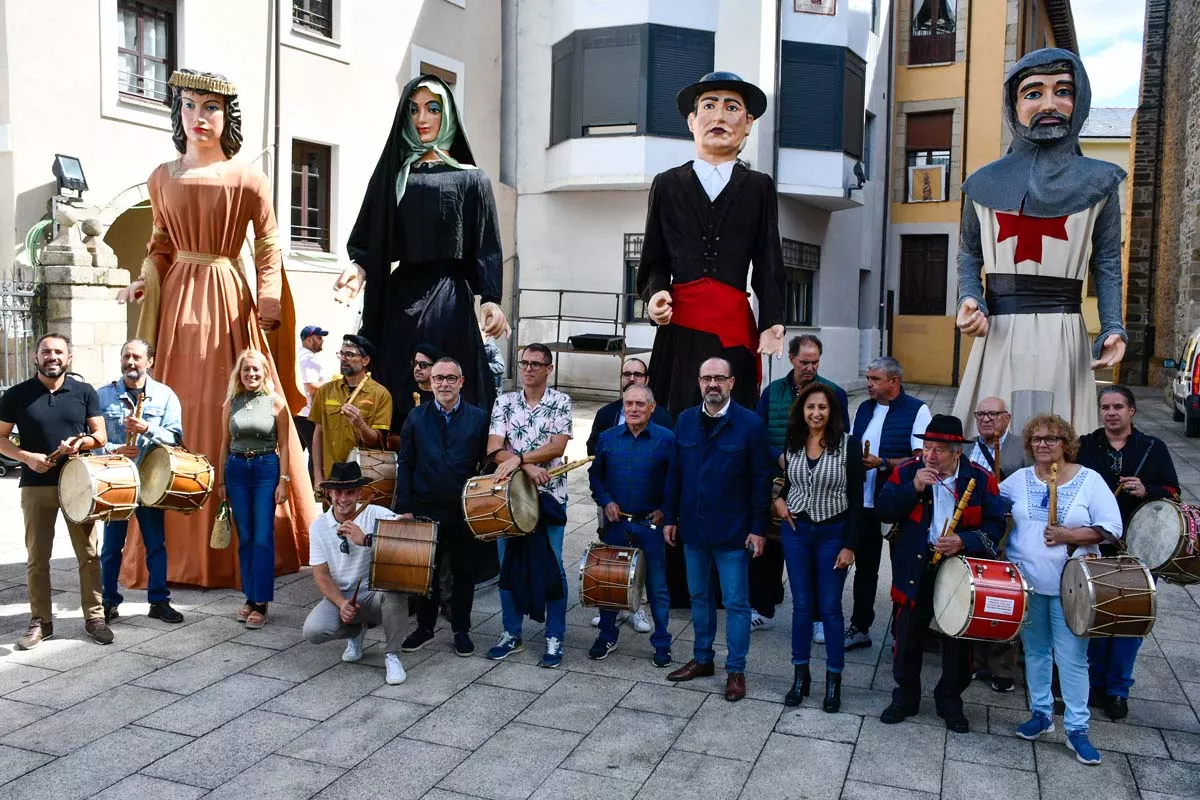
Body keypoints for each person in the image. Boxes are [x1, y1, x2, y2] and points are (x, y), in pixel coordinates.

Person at [117, 69, 315, 590]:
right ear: (178, 113)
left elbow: (269, 245)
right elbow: (159, 244)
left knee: (230, 405)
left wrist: (268, 304)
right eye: (188, 105)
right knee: (177, 406)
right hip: (177, 303)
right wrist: (145, 281)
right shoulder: (161, 177)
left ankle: (240, 546)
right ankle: (170, 546)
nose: (199, 117)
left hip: (229, 300)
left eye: (210, 107)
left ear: (227, 116)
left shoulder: (248, 177)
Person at [953, 48, 1127, 435]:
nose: (1050, 104)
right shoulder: (983, 183)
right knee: (996, 437)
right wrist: (970, 298)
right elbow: (969, 254)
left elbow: (1107, 264)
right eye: (1033, 93)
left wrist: (1114, 325)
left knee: (1061, 440)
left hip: (1062, 332)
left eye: (1062, 90)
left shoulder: (1100, 184)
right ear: (1013, 104)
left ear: (1078, 100)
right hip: (999, 331)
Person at [334, 73, 508, 424]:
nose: (422, 119)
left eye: (432, 108)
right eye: (413, 110)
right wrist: (359, 267)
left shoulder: (472, 179)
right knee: (397, 379)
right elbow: (372, 230)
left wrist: (490, 297)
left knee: (453, 381)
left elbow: (486, 244)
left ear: (448, 115)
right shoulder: (393, 177)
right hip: (401, 297)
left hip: (450, 296)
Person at [636, 71, 785, 418]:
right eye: (709, 106)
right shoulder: (667, 184)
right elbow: (653, 258)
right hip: (680, 328)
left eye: (732, 108)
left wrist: (772, 322)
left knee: (732, 419)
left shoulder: (759, 187)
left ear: (748, 123)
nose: (719, 116)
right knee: (674, 415)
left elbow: (769, 260)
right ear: (692, 121)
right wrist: (656, 293)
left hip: (732, 327)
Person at [1001, 414, 1122, 765]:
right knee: (1036, 651)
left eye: (1052, 439)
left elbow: (1111, 527)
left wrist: (1070, 535)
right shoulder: (1021, 480)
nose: (1043, 444)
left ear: (1065, 443)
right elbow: (993, 499)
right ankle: (1041, 715)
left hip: (1073, 585)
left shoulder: (1088, 480)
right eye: (1037, 439)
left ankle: (1077, 729)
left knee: (1071, 659)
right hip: (1029, 583)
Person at [876, 415, 1006, 733]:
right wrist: (914, 487)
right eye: (927, 447)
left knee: (958, 637)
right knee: (907, 635)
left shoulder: (981, 479)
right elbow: (884, 509)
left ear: (957, 452)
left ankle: (950, 699)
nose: (930, 455)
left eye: (939, 449)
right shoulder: (908, 471)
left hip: (958, 568)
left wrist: (965, 540)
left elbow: (996, 525)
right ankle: (905, 696)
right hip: (915, 566)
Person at [664, 358, 772, 702]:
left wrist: (758, 528)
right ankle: (702, 658)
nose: (713, 384)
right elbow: (675, 474)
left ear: (732, 382)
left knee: (736, 603)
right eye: (707, 378)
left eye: (719, 378)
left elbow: (760, 481)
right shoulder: (684, 421)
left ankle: (735, 669)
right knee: (699, 596)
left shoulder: (750, 425)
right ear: (698, 382)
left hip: (733, 532)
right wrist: (669, 517)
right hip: (693, 529)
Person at [0, 333, 111, 649]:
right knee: (37, 558)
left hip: (79, 484)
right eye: (46, 351)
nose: (52, 356)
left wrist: (81, 442)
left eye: (58, 352)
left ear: (69, 358)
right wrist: (26, 457)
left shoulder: (84, 391)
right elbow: (1, 437)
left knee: (88, 554)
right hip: (36, 486)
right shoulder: (16, 395)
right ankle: (41, 622)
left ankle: (94, 617)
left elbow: (99, 434)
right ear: (35, 357)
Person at [1077, 386, 1179, 721]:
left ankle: (1118, 690)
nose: (1111, 413)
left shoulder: (1153, 447)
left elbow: (1173, 492)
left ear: (1132, 411)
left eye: (1118, 406)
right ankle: (1092, 683)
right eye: (1105, 406)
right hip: (1096, 542)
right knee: (1094, 616)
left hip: (1139, 548)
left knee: (1129, 620)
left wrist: (1147, 489)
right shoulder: (1086, 446)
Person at [773, 382, 862, 712]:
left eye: (822, 407)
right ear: (802, 410)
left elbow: (856, 499)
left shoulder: (847, 446)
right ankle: (800, 675)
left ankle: (833, 681)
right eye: (810, 407)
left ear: (832, 411)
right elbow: (787, 483)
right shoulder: (793, 441)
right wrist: (779, 501)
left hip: (832, 533)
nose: (816, 413)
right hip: (796, 532)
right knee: (801, 606)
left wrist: (850, 545)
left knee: (829, 608)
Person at [755, 333, 850, 639]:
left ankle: (819, 618)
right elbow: (760, 436)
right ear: (792, 358)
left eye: (815, 362)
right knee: (769, 550)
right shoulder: (772, 392)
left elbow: (841, 437)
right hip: (776, 479)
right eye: (804, 361)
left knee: (813, 552)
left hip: (818, 482)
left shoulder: (832, 393)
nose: (810, 367)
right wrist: (778, 457)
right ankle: (764, 609)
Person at [394, 357, 490, 657]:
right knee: (427, 573)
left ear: (461, 382)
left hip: (463, 509)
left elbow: (487, 464)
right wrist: (405, 507)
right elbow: (406, 463)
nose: (444, 384)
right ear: (430, 383)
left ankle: (461, 630)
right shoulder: (416, 417)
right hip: (425, 506)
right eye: (439, 378)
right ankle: (424, 628)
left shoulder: (478, 418)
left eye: (451, 378)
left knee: (463, 573)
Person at [485, 343, 573, 668]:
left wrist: (520, 458)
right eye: (524, 363)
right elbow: (494, 448)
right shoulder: (504, 401)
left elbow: (558, 445)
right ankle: (511, 633)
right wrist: (525, 467)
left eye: (537, 364)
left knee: (555, 567)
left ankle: (555, 635)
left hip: (550, 496)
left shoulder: (560, 401)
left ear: (549, 369)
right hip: (508, 497)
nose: (529, 368)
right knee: (508, 565)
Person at [96, 339, 185, 624]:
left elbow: (176, 437)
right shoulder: (103, 395)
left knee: (155, 544)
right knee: (111, 548)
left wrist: (148, 428)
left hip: (150, 480)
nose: (130, 362)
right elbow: (92, 438)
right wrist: (113, 449)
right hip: (116, 481)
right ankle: (108, 602)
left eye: (136, 357)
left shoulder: (165, 395)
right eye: (126, 357)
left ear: (150, 361)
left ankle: (159, 601)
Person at [845, 356, 931, 651]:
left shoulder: (918, 410)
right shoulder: (865, 408)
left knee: (902, 568)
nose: (868, 384)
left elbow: (922, 459)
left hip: (898, 502)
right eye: (868, 378)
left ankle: (902, 633)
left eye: (874, 380)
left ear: (893, 382)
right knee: (865, 568)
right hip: (865, 501)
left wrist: (883, 463)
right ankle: (860, 627)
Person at [588, 384, 676, 667]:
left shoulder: (667, 440)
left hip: (650, 526)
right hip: (617, 524)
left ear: (652, 408)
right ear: (622, 407)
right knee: (609, 582)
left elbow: (677, 481)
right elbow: (596, 477)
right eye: (629, 404)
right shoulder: (607, 438)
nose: (634, 409)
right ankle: (607, 636)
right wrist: (606, 500)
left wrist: (666, 510)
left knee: (658, 587)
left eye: (640, 404)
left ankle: (662, 642)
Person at [302, 461, 407, 685]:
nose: (343, 499)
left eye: (350, 492)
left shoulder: (375, 513)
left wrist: (367, 539)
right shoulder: (318, 526)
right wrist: (341, 604)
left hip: (376, 594)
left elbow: (407, 524)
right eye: (338, 492)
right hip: (342, 594)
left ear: (360, 492)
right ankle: (355, 633)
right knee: (313, 631)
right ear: (329, 493)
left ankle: (392, 655)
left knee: (396, 592)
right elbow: (321, 575)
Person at [218, 348, 293, 630]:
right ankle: (249, 597)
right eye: (246, 370)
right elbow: (224, 442)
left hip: (265, 468)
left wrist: (284, 480)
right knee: (245, 537)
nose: (251, 374)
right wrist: (222, 481)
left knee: (263, 536)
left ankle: (261, 601)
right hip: (236, 469)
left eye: (256, 370)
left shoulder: (276, 403)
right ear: (240, 373)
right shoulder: (231, 403)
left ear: (265, 373)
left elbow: (284, 445)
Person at [967, 395, 1029, 693]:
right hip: (975, 528)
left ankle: (1004, 667)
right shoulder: (968, 448)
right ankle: (977, 661)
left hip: (1008, 529)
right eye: (981, 414)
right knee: (976, 593)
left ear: (1007, 417)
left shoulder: (1023, 447)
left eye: (993, 414)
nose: (986, 419)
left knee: (1005, 597)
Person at [309, 335, 393, 488]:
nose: (343, 359)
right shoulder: (325, 391)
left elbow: (376, 442)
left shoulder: (381, 394)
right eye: (341, 354)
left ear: (365, 360)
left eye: (350, 354)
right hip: (331, 477)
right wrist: (318, 475)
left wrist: (360, 424)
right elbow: (318, 434)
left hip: (364, 476)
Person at [389, 343, 442, 441]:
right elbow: (392, 438)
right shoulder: (404, 397)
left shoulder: (445, 398)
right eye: (415, 363)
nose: (417, 368)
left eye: (423, 365)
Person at [295, 324, 329, 457]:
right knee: (316, 453)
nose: (322, 340)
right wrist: (333, 384)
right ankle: (313, 478)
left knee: (296, 454)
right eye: (319, 338)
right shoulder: (309, 358)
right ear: (309, 340)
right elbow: (311, 386)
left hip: (297, 411)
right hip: (308, 413)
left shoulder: (298, 355)